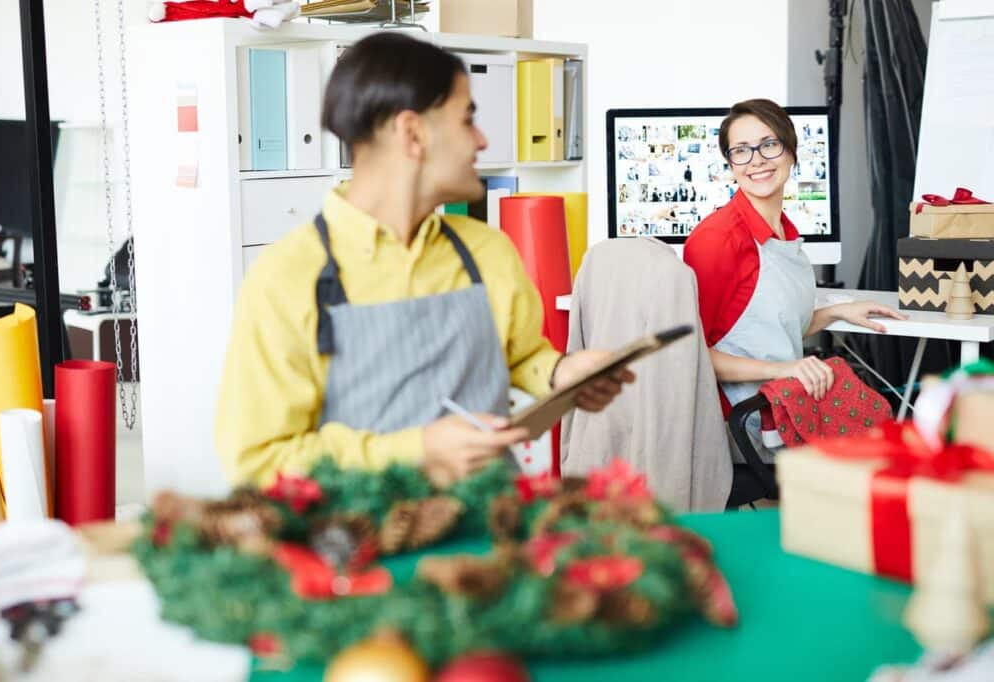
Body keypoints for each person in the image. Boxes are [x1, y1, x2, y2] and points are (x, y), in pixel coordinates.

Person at [216, 33, 633, 487]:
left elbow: (521, 355)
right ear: (412, 134)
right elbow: (258, 462)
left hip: (488, 528)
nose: (481, 140)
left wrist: (560, 373)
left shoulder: (486, 251)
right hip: (359, 544)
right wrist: (416, 452)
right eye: (467, 119)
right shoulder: (287, 276)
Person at [683, 99, 905, 460]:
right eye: (741, 150)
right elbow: (691, 354)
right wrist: (787, 368)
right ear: (729, 164)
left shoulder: (785, 233)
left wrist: (837, 312)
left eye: (768, 144)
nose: (756, 160)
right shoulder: (718, 240)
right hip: (743, 422)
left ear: (791, 152)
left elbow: (760, 332)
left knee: (889, 446)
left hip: (784, 402)